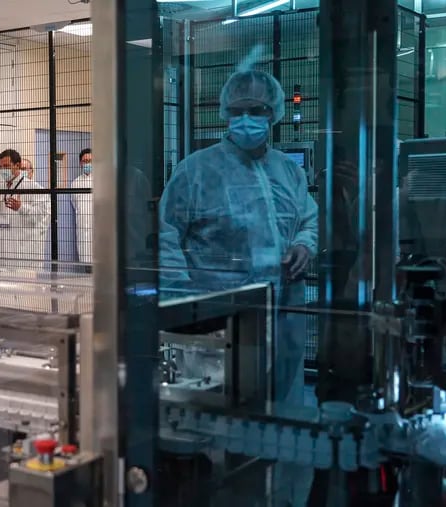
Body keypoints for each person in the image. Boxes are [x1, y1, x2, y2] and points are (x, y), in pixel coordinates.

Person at [159, 53, 317, 507]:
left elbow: (309, 218)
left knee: (279, 409)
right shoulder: (196, 169)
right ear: (224, 114)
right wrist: (184, 305)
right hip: (216, 315)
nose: (247, 119)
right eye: (238, 111)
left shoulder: (289, 169)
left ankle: (277, 494)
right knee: (208, 419)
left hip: (284, 308)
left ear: (276, 115)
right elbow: (168, 235)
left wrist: (306, 244)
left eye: (258, 110)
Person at [0, 149, 50, 265]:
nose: (3, 170)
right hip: (4, 246)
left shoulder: (34, 188)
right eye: (0, 167)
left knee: (23, 279)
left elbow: (40, 217)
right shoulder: (0, 189)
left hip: (23, 247)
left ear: (17, 165)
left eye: (6, 166)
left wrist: (21, 208)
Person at [70, 148, 93, 265]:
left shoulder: (103, 180)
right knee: (86, 258)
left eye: (90, 160)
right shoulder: (75, 183)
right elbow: (75, 205)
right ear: (80, 163)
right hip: (82, 226)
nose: (87, 163)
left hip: (99, 228)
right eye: (84, 161)